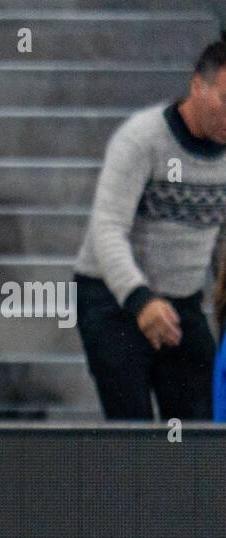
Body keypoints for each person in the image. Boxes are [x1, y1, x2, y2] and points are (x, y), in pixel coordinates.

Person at [75, 39, 226, 422]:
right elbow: (107, 228)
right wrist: (141, 301)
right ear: (198, 86)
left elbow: (222, 240)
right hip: (113, 299)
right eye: (225, 100)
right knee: (132, 430)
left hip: (182, 301)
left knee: (198, 429)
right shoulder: (142, 139)